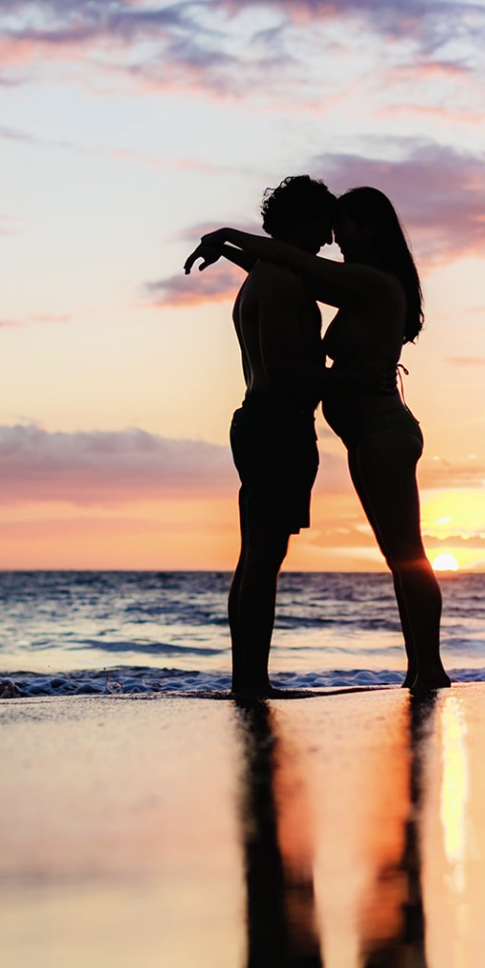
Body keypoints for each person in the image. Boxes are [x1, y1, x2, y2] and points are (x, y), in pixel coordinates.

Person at [185, 186, 450, 692]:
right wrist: (235, 248)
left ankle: (428, 669)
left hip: (382, 433)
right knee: (388, 556)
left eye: (343, 224)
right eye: (329, 223)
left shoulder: (371, 282)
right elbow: (288, 272)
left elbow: (290, 268)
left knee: (405, 554)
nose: (333, 236)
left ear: (370, 229)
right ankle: (414, 670)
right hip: (331, 433)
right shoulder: (319, 280)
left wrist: (232, 240)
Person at [214, 175, 335, 697]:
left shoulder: (264, 274)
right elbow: (287, 371)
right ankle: (252, 683)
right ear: (302, 220)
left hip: (261, 419)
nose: (330, 238)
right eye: (323, 224)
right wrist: (351, 376)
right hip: (278, 422)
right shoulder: (282, 281)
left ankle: (249, 679)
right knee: (263, 559)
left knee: (256, 557)